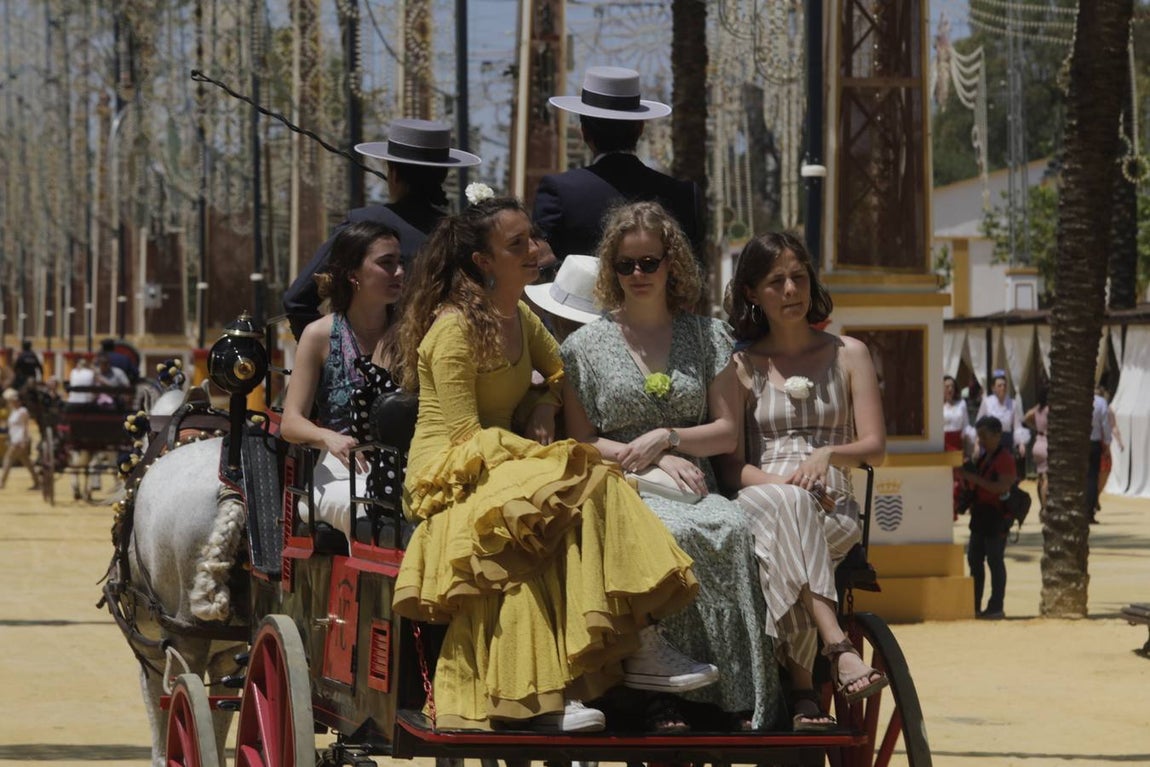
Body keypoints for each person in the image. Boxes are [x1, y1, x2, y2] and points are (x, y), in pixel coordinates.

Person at [391, 195, 713, 733]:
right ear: (482, 262)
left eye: (532, 238)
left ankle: (641, 645)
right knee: (545, 511)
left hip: (501, 460)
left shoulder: (518, 314)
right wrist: (544, 453)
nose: (535, 250)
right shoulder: (452, 329)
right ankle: (542, 691)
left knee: (599, 481)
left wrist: (542, 403)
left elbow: (559, 370)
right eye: (516, 244)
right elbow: (465, 436)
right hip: (449, 473)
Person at [560, 202, 778, 731]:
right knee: (665, 533)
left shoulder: (707, 338)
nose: (638, 275)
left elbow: (726, 431)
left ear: (671, 265)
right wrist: (642, 453)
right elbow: (580, 439)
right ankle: (658, 694)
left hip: (695, 481)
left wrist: (669, 437)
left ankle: (733, 690)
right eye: (625, 265)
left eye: (649, 263)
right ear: (610, 270)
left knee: (727, 528)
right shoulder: (581, 349)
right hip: (622, 483)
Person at [714, 231, 888, 731]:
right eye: (775, 281)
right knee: (784, 507)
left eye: (798, 277)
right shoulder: (739, 365)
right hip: (760, 496)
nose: (791, 290)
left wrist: (829, 451)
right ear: (752, 293)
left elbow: (875, 446)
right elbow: (732, 468)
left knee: (791, 516)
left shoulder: (849, 353)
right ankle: (834, 646)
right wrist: (780, 485)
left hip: (832, 503)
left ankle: (803, 684)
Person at [283, 119, 482, 339]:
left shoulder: (362, 224)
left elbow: (297, 300)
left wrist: (338, 356)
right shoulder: (459, 236)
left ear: (393, 173)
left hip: (369, 365)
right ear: (442, 176)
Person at [280, 221, 406, 541]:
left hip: (405, 467)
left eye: (399, 262)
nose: (399, 272)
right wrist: (327, 437)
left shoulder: (411, 334)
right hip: (340, 472)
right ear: (353, 274)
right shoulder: (319, 335)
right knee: (369, 512)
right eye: (386, 263)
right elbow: (290, 423)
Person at [533, 66, 704, 266]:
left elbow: (538, 263)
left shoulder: (559, 191)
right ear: (640, 128)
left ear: (584, 132)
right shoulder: (683, 195)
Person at [959, 416, 1016, 619]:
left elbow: (1002, 487)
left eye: (985, 436)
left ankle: (996, 606)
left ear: (998, 435)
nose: (981, 440)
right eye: (979, 436)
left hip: (997, 516)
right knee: (975, 559)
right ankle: (975, 604)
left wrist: (974, 479)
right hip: (981, 515)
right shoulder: (984, 458)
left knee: (994, 560)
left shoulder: (1005, 459)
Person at [975, 371, 1029, 473]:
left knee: (1004, 472)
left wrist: (1021, 443)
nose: (1002, 388)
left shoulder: (1012, 404)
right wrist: (977, 444)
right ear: (993, 388)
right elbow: (979, 423)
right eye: (999, 385)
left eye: (1004, 385)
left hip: (1005, 441)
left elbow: (1017, 426)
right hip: (989, 441)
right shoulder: (987, 402)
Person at [66, 357, 98, 502]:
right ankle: (88, 488)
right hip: (88, 408)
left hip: (73, 407)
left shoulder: (73, 372)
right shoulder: (92, 373)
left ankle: (76, 486)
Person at [944, 374, 975, 519]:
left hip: (957, 442)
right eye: (946, 386)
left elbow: (966, 425)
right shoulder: (937, 405)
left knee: (957, 479)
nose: (949, 389)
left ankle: (954, 509)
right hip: (943, 443)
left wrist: (974, 442)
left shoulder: (961, 404)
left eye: (951, 386)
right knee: (945, 478)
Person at [0, 388, 39, 490]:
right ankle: (37, 482)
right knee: (27, 462)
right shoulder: (13, 412)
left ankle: (2, 483)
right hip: (15, 440)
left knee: (8, 459)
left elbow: (25, 427)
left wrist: (24, 440)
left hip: (19, 441)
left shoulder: (23, 411)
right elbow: (11, 427)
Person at [1087, 386, 1114, 524]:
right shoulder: (1101, 402)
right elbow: (1106, 425)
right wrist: (1107, 445)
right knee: (1092, 478)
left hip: (1078, 444)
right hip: (1094, 443)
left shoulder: (1081, 399)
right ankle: (1089, 511)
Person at [1096, 384, 1124, 509]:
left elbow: (1113, 426)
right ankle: (1094, 497)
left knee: (1102, 471)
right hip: (1101, 444)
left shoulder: (1106, 409)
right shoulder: (1105, 408)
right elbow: (1113, 427)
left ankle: (1094, 496)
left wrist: (1119, 441)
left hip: (1100, 443)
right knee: (1102, 471)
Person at [1023, 387, 1050, 512]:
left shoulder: (1038, 409)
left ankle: (1041, 505)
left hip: (1037, 442)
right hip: (1046, 442)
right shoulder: (1049, 410)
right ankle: (1045, 508)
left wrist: (1035, 426)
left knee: (1040, 478)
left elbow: (1026, 417)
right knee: (1046, 478)